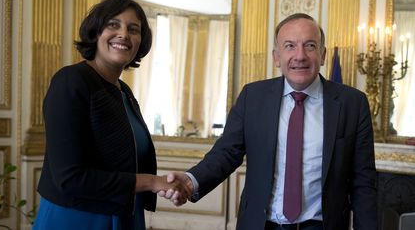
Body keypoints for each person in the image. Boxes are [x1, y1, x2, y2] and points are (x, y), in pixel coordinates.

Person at [162, 13, 377, 230]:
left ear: (322, 55)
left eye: (310, 46)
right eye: (290, 46)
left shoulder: (352, 103)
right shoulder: (252, 97)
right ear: (276, 57)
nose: (299, 55)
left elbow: (364, 182)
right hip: (261, 225)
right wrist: (191, 181)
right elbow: (226, 153)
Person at [33, 0, 188, 230]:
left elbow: (127, 160)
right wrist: (150, 182)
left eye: (133, 29)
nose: (124, 34)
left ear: (140, 42)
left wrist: (164, 184)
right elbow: (69, 178)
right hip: (77, 217)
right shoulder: (71, 81)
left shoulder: (124, 92)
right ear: (96, 32)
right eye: (113, 25)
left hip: (124, 212)